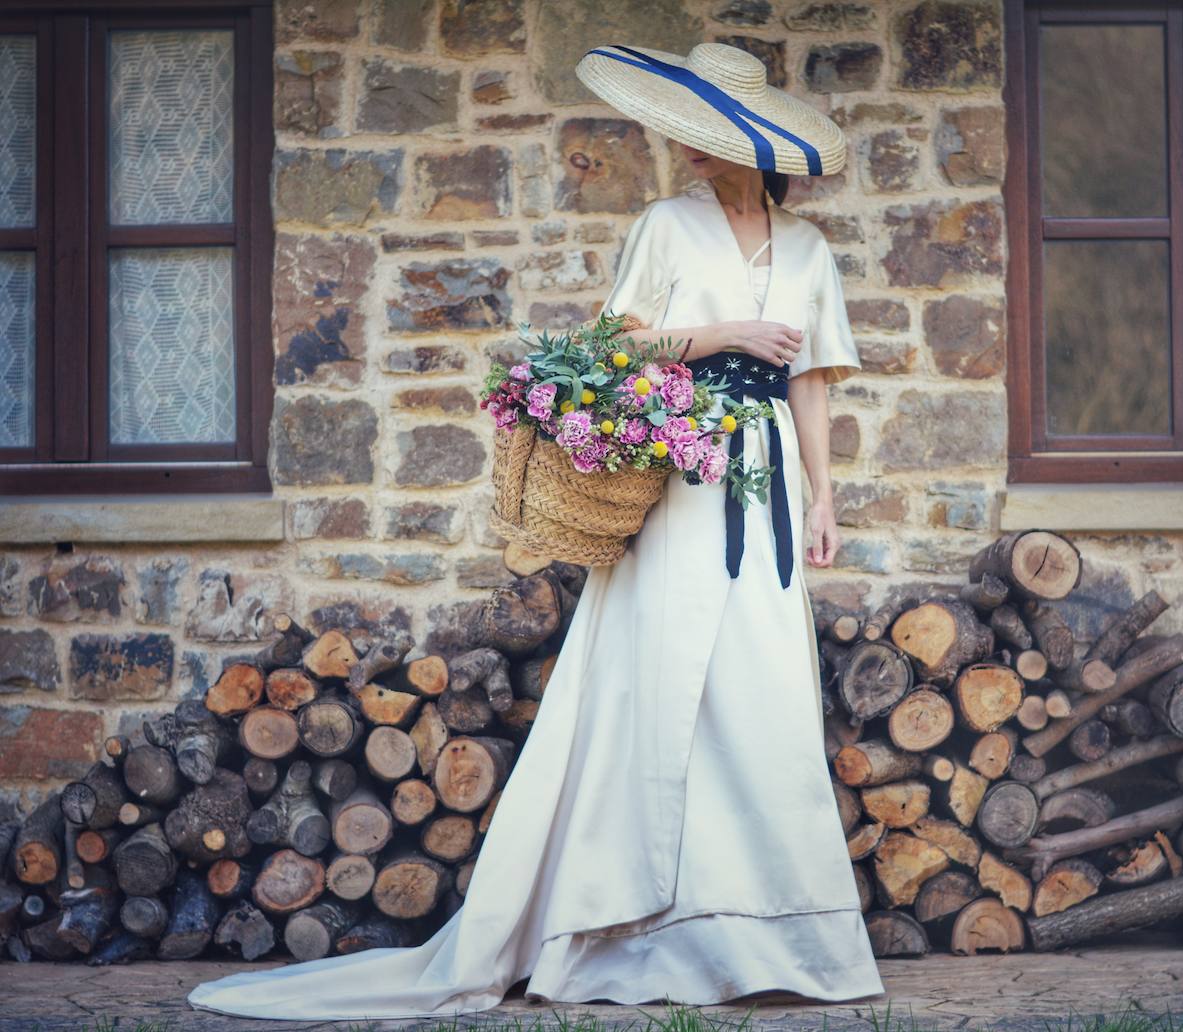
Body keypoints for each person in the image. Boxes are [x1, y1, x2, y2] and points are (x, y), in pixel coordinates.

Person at [187, 40, 884, 1021]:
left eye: (708, 140)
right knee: (670, 671)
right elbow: (618, 345)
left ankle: (768, 935)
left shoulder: (809, 254)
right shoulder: (665, 228)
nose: (687, 153)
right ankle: (634, 925)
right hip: (686, 477)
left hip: (763, 486)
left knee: (762, 685)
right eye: (685, 137)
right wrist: (724, 336)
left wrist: (822, 496)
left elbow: (811, 381)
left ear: (754, 149)